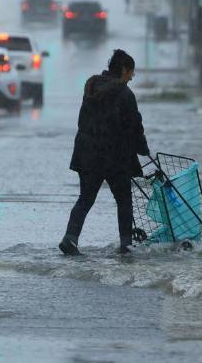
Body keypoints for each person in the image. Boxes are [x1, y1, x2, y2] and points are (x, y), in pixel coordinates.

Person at [60, 49, 150, 256]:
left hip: (87, 152)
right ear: (124, 70)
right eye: (131, 72)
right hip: (114, 156)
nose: (132, 76)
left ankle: (69, 238)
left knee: (86, 198)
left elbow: (84, 121)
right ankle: (126, 245)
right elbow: (134, 126)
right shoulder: (125, 94)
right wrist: (143, 149)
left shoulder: (92, 87)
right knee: (124, 200)